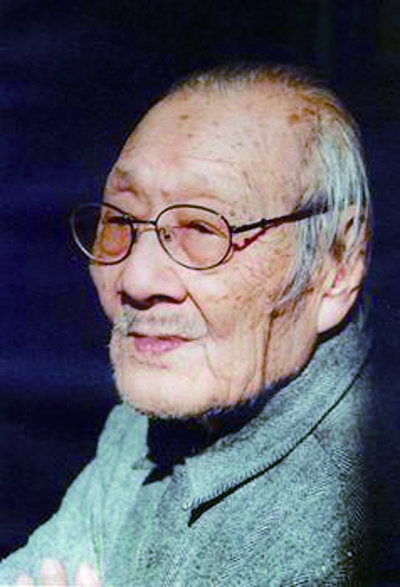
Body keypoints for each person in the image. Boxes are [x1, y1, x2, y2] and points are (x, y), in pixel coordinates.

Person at [1, 63, 373, 586]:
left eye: (202, 228)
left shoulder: (357, 513)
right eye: (121, 221)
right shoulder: (168, 407)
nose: (136, 278)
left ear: (338, 263)